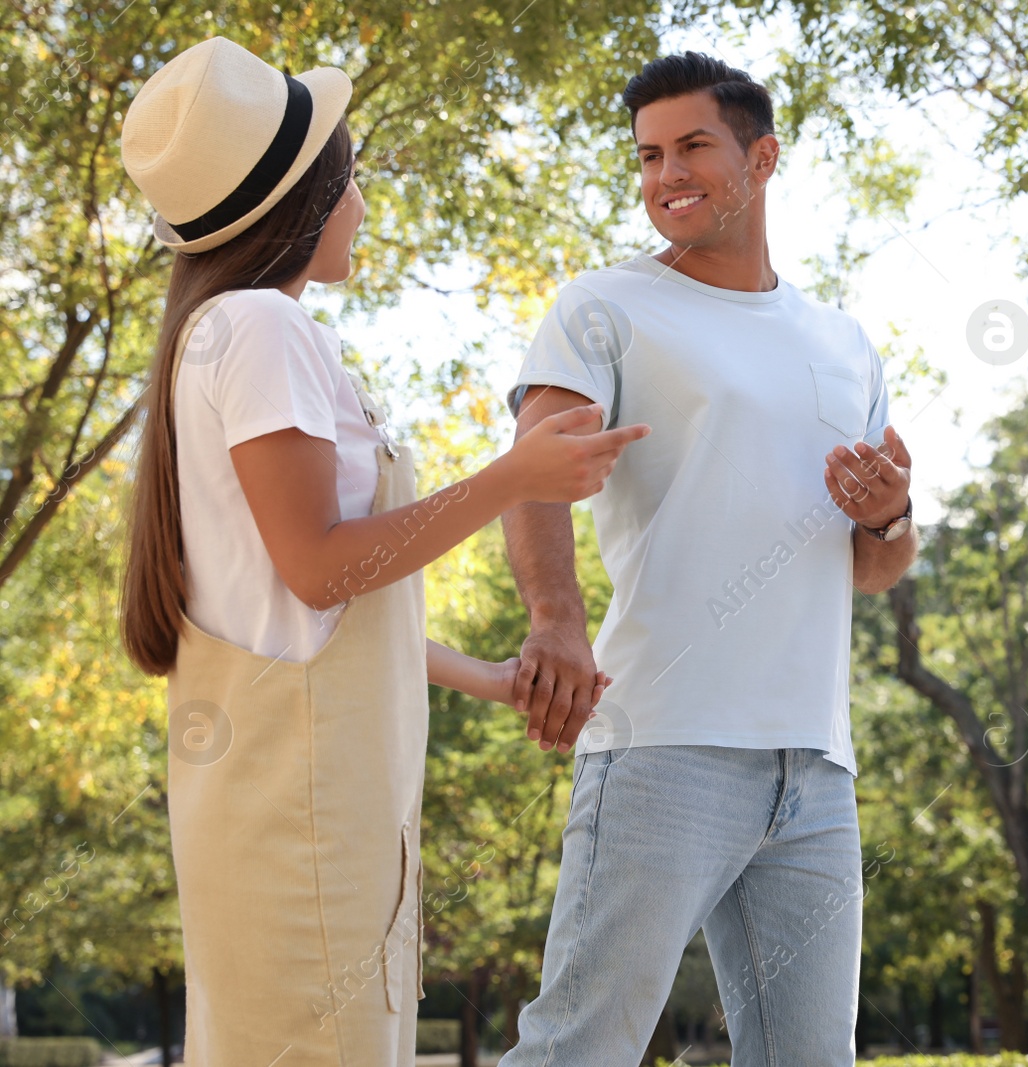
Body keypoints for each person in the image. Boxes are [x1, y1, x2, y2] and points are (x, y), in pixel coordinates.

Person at [114, 36, 649, 1065]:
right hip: (302, 813)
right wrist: (512, 477)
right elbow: (321, 564)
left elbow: (307, 606)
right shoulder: (263, 328)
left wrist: (486, 678)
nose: (362, 203)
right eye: (351, 180)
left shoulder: (224, 330)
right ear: (304, 202)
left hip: (298, 795)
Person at [500, 51, 918, 1064]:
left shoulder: (844, 342)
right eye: (648, 155)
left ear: (761, 156)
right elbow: (532, 467)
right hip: (662, 743)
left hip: (814, 765)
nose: (664, 175)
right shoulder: (606, 306)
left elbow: (871, 568)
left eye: (691, 146)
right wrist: (554, 618)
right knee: (578, 1049)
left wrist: (889, 515)